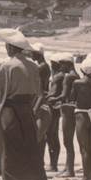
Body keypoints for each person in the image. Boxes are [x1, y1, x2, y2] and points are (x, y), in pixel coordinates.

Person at [0, 29, 49, 180]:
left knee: (7, 149)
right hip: (27, 110)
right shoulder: (32, 65)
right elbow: (38, 90)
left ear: (11, 47)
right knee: (29, 148)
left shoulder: (8, 65)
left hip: (10, 110)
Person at [70, 58, 91, 180]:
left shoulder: (77, 83)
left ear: (82, 69)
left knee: (83, 147)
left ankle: (87, 177)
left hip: (81, 113)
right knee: (90, 144)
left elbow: (72, 97)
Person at [30, 43, 54, 173]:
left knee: (37, 137)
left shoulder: (40, 67)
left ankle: (37, 165)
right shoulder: (45, 66)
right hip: (42, 102)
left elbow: (39, 90)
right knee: (40, 137)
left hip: (40, 103)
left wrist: (34, 108)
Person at [58, 54, 79, 177]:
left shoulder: (68, 77)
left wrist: (49, 97)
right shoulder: (76, 75)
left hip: (67, 108)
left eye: (62, 63)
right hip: (73, 107)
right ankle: (68, 167)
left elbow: (64, 95)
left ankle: (70, 169)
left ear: (69, 64)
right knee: (69, 140)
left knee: (67, 140)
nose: (61, 66)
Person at [45, 52, 64, 171]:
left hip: (54, 108)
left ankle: (53, 164)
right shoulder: (58, 75)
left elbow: (53, 93)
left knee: (51, 136)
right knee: (52, 136)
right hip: (56, 108)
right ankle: (53, 164)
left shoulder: (58, 76)